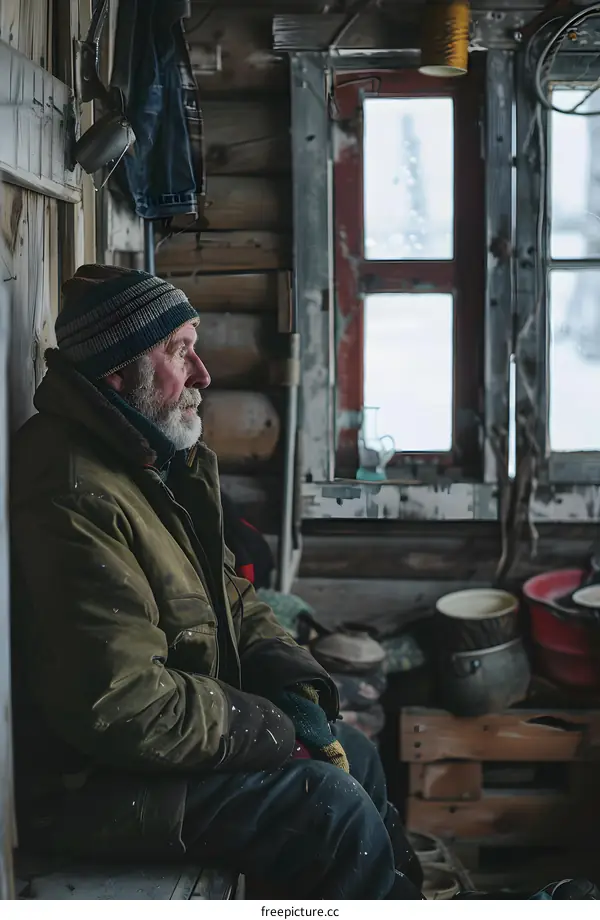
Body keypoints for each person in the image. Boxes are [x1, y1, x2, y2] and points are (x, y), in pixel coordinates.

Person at [10, 264, 422, 900]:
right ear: (118, 370)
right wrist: (271, 728)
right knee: (326, 809)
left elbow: (229, 594)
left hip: (160, 752)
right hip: (94, 785)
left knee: (356, 754)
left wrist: (292, 684)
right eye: (180, 350)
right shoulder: (74, 494)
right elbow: (125, 706)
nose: (204, 374)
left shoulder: (152, 461)